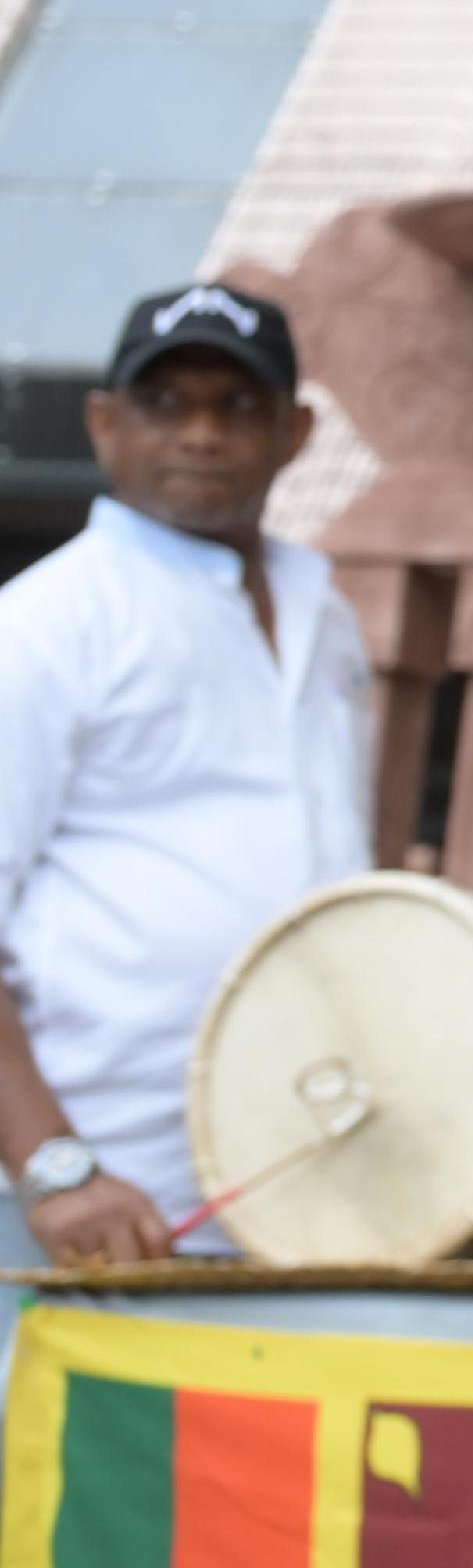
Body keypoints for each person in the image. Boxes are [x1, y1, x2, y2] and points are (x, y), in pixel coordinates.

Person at [0, 283, 372, 1263]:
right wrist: (52, 1163)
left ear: (294, 432)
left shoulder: (325, 615)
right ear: (104, 421)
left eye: (238, 405)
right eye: (167, 403)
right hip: (96, 1196)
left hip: (296, 1170)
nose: (202, 433)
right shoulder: (44, 623)